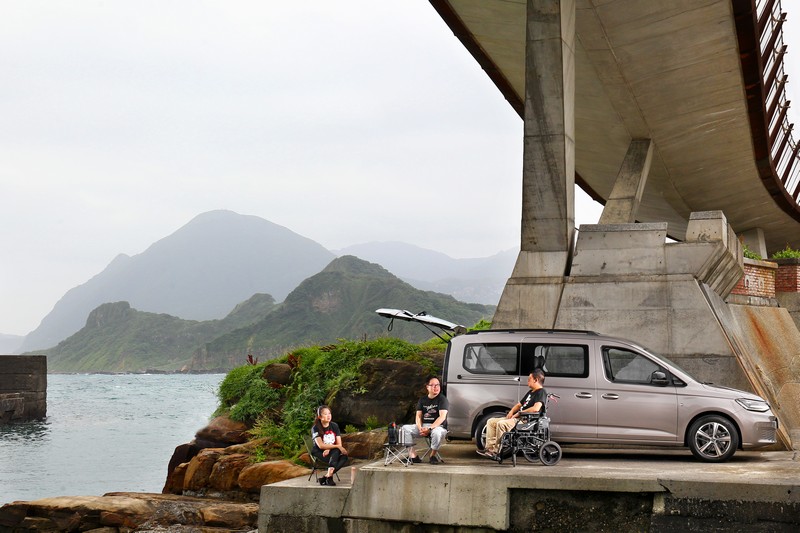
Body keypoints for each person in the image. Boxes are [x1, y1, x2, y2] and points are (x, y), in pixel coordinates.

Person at [478, 369, 546, 458]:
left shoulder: (541, 392)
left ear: (536, 380)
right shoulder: (530, 392)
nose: (527, 381)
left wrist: (520, 413)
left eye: (529, 379)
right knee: (491, 421)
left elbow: (535, 409)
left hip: (526, 420)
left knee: (501, 424)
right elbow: (519, 404)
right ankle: (489, 449)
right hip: (518, 418)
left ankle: (496, 451)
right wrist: (511, 411)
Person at [401, 375, 448, 464]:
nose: (436, 387)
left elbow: (442, 417)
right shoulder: (422, 400)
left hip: (439, 427)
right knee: (404, 429)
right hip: (424, 426)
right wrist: (420, 428)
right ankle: (413, 456)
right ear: (427, 387)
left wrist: (429, 429)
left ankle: (433, 455)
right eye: (433, 385)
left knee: (436, 433)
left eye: (437, 385)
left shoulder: (442, 399)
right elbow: (418, 416)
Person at [311, 405, 349, 486]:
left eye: (329, 413)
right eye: (325, 414)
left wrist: (329, 448)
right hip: (319, 451)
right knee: (336, 450)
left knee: (344, 457)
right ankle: (329, 479)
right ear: (320, 417)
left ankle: (327, 477)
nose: (328, 416)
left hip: (331, 452)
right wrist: (336, 447)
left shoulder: (334, 426)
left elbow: (339, 443)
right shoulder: (315, 428)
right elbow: (321, 445)